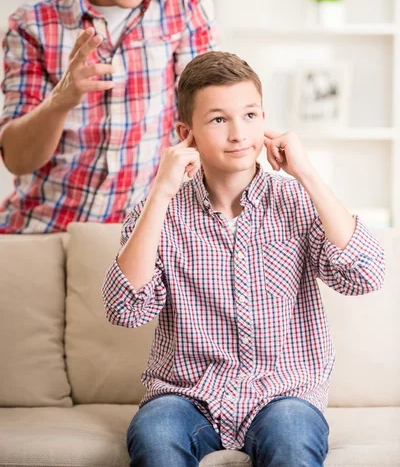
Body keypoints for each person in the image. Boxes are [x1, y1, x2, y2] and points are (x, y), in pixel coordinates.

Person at [102, 51, 385, 467]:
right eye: (219, 119)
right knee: (155, 435)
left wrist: (306, 174)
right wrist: (161, 192)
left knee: (292, 440)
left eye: (250, 115)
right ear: (187, 133)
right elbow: (125, 309)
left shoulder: (296, 200)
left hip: (283, 394)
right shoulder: (161, 210)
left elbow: (366, 275)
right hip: (186, 394)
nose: (239, 134)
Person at [0, 0, 217, 234]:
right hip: (47, 228)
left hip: (143, 231)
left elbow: (204, 111)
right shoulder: (32, 24)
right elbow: (18, 161)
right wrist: (61, 99)